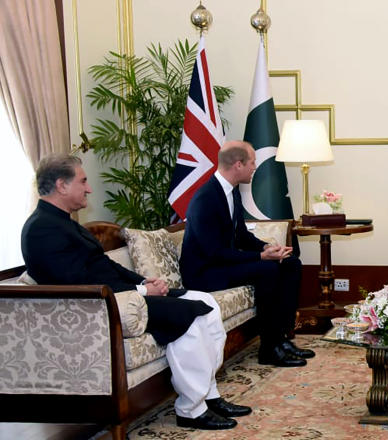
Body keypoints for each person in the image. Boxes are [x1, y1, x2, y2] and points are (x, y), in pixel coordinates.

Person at [20, 154, 250, 430]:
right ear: (61, 185)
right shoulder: (41, 229)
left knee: (205, 301)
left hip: (123, 296)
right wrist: (140, 290)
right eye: (83, 181)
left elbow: (104, 266)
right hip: (102, 308)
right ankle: (192, 408)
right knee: (191, 314)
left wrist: (145, 282)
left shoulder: (63, 222)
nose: (88, 188)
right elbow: (79, 282)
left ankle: (209, 395)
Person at [179, 141, 314, 368]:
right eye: (252, 163)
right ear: (238, 164)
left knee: (291, 264)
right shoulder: (206, 198)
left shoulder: (232, 192)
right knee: (267, 270)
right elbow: (214, 253)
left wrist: (266, 248)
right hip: (204, 273)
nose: (255, 167)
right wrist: (260, 258)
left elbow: (241, 236)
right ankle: (269, 349)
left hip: (221, 264)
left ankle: (282, 338)